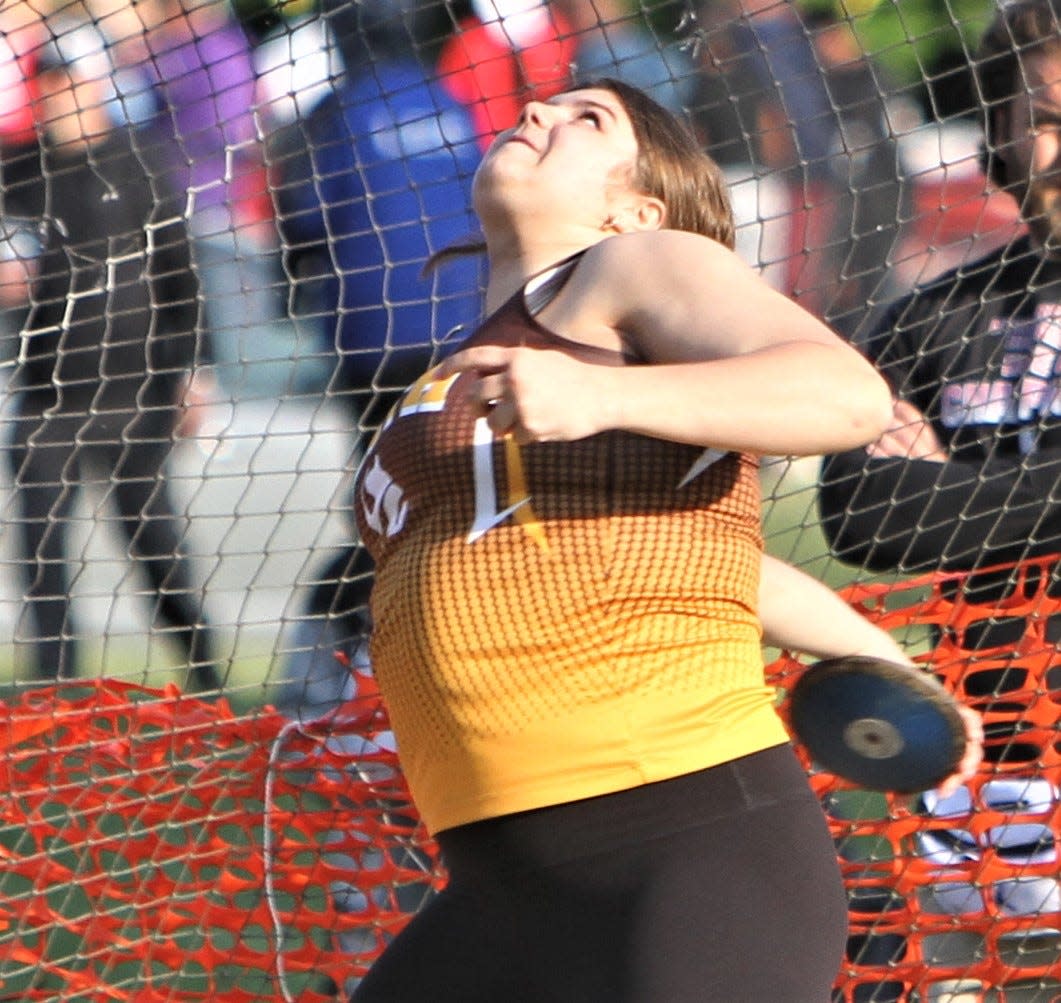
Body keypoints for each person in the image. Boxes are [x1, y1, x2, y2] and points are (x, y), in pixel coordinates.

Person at [345, 77, 973, 1002]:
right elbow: (709, 562)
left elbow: (844, 395)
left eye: (585, 119)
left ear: (634, 205)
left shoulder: (637, 263)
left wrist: (601, 395)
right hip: (501, 878)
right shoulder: (456, 366)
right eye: (544, 106)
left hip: (685, 848)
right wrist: (884, 659)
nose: (536, 115)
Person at [270, 0, 485, 721]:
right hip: (459, 329)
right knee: (449, 496)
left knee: (384, 503)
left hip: (372, 334)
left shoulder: (340, 110)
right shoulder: (452, 98)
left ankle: (350, 663)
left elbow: (306, 214)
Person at [3, 38, 221, 690]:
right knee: (41, 557)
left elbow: (184, 274)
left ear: (97, 87)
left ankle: (208, 680)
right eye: (49, 87)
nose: (59, 99)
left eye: (71, 84)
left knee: (157, 551)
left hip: (136, 395)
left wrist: (194, 369)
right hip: (49, 396)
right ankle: (57, 698)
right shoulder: (17, 172)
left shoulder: (138, 161)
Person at [819, 0, 1061, 586]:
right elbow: (861, 516)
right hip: (970, 676)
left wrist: (945, 480)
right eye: (1048, 121)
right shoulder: (931, 315)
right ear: (1000, 130)